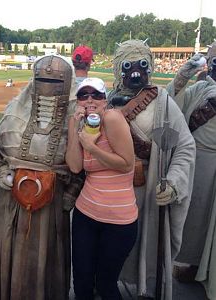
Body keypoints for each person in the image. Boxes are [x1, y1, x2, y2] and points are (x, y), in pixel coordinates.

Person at [0, 54, 80, 300]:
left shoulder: (77, 116)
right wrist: (2, 172)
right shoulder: (15, 109)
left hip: (52, 205)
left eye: (56, 80)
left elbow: (84, 164)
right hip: (12, 201)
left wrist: (69, 194)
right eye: (43, 78)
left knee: (47, 262)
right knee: (12, 259)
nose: (49, 85)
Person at [107, 39, 196, 299]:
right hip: (109, 191)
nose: (136, 71)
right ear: (118, 69)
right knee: (110, 249)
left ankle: (147, 287)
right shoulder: (108, 101)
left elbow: (184, 147)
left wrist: (174, 182)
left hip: (146, 188)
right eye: (128, 65)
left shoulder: (163, 104)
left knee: (144, 246)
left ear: (150, 66)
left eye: (142, 64)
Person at [66, 77, 138, 299]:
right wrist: (73, 127)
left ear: (104, 99)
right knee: (82, 281)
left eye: (96, 94)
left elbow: (127, 164)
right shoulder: (84, 126)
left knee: (106, 284)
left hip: (118, 222)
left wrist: (92, 148)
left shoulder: (112, 118)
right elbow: (76, 166)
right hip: (85, 216)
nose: (90, 99)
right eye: (83, 95)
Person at [167, 42, 216, 300]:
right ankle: (192, 266)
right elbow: (172, 102)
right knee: (193, 220)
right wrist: (183, 75)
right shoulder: (201, 89)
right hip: (197, 163)